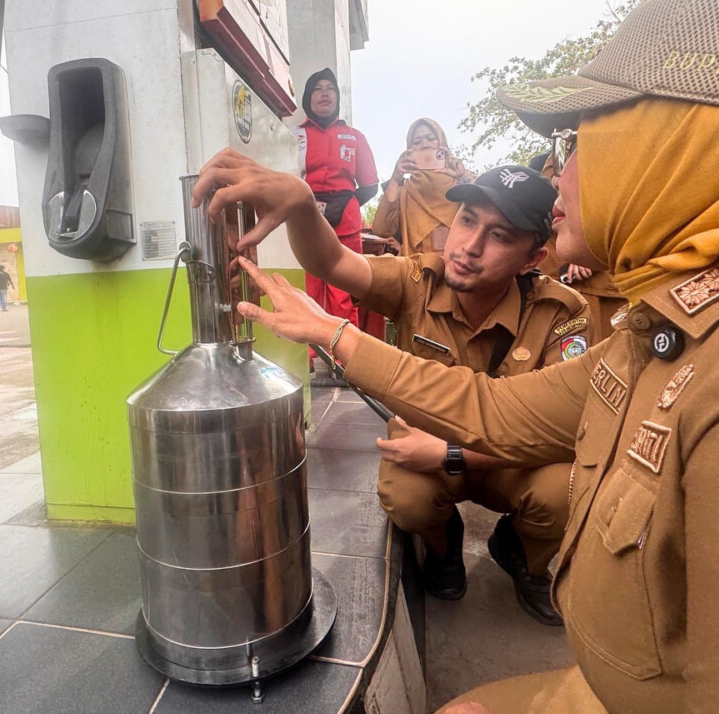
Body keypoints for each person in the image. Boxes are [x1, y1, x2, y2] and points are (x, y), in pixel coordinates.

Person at [199, 0, 719, 714]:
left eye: (581, 140)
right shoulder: (696, 317)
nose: (561, 181)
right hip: (624, 712)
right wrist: (330, 333)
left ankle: (528, 561)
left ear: (679, 145)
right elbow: (493, 407)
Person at [199, 153, 592, 624]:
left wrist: (451, 453)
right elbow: (332, 260)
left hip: (507, 464)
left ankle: (523, 557)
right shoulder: (416, 280)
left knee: (572, 484)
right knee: (406, 495)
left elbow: (564, 432)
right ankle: (443, 547)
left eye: (500, 236)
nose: (468, 245)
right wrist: (304, 206)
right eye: (467, 220)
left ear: (533, 258)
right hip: (429, 463)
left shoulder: (563, 312)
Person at [293, 68, 378, 332]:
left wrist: (345, 204)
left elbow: (370, 185)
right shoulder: (293, 135)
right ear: (308, 97)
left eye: (330, 88)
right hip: (305, 215)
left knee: (344, 287)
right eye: (317, 88)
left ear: (337, 97)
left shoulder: (355, 137)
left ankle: (345, 355)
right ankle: (310, 353)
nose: (324, 93)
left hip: (347, 220)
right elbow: (285, 180)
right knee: (310, 286)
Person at [530, 147, 626, 345]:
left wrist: (588, 248)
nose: (558, 181)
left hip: (602, 285)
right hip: (558, 277)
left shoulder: (594, 146)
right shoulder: (547, 161)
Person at [372, 118, 473, 256]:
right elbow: (381, 229)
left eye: (431, 138)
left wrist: (462, 176)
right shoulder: (404, 191)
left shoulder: (462, 183)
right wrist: (396, 178)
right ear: (409, 150)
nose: (425, 145)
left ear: (442, 142)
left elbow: (489, 214)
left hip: (459, 269)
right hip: (417, 273)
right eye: (417, 142)